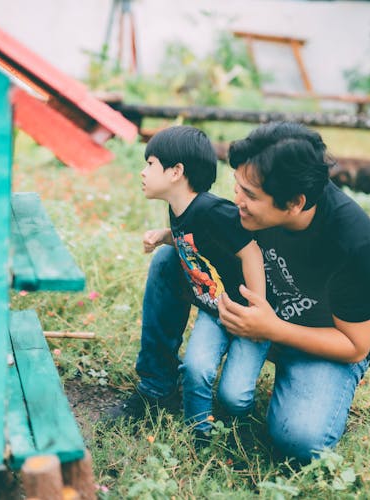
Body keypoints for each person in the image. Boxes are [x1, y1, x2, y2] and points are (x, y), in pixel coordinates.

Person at [112, 122, 370, 462]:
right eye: (237, 187)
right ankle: (157, 386)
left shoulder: (354, 241)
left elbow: (355, 345)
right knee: (170, 258)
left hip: (319, 341)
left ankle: (295, 379)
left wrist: (271, 328)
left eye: (251, 196)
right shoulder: (251, 206)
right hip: (251, 317)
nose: (237, 201)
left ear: (294, 204)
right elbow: (209, 230)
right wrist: (169, 235)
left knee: (300, 439)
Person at [133, 125, 269, 440]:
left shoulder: (212, 209)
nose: (142, 172)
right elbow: (193, 239)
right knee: (196, 368)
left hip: (247, 311)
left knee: (234, 398)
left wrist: (257, 307)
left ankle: (241, 431)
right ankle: (199, 433)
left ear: (175, 172)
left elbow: (251, 252)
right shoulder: (179, 208)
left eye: (150, 164)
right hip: (215, 308)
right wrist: (164, 236)